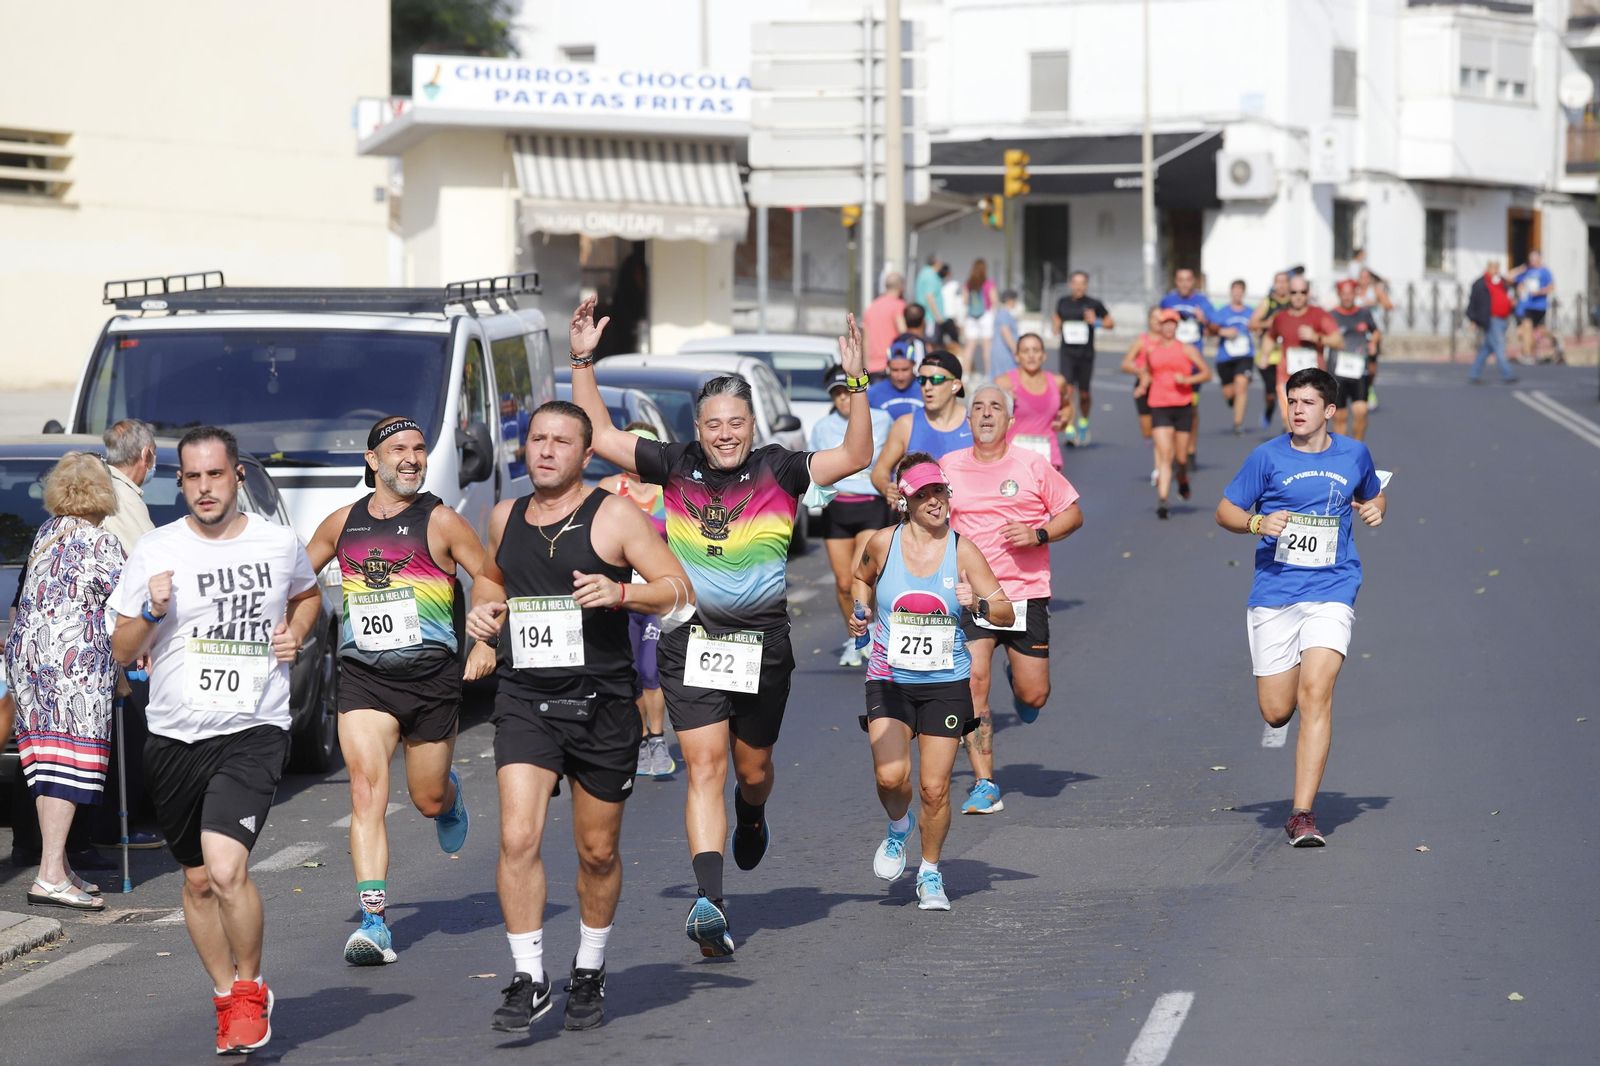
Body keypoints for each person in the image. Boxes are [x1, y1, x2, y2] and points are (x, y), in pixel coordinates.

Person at [568, 299, 874, 959]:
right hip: (691, 644)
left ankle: (755, 810)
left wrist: (856, 381)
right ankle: (711, 901)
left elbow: (855, 453)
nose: (725, 433)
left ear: (751, 424)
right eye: (714, 424)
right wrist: (582, 360)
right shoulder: (674, 465)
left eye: (736, 422)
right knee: (702, 766)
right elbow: (596, 434)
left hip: (763, 647)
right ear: (698, 427)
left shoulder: (779, 469)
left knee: (750, 768)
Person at [467, 401, 692, 1033]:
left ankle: (588, 969)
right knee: (517, 837)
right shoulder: (505, 515)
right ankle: (529, 976)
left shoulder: (614, 514)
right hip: (524, 699)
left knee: (596, 851)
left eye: (561, 442)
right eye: (537, 438)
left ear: (584, 455)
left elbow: (678, 589)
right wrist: (483, 617)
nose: (545, 450)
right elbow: (492, 580)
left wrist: (621, 592)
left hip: (602, 704)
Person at [110, 426, 321, 1056]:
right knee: (197, 880)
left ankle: (251, 989)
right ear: (180, 482)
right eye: (192, 478)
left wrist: (297, 634)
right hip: (175, 734)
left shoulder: (278, 543)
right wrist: (150, 613)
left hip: (253, 727)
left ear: (237, 477)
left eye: (215, 475)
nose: (204, 488)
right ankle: (226, 995)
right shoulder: (154, 549)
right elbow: (120, 652)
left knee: (228, 870)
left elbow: (306, 597)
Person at [304, 415, 485, 967]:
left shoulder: (443, 521)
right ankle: (375, 922)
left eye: (420, 448)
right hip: (365, 678)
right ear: (372, 460)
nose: (412, 457)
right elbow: (292, 576)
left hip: (431, 680)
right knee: (365, 790)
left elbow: (493, 576)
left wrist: (485, 639)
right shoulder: (342, 524)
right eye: (398, 448)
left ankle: (448, 797)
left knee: (426, 798)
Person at [1215, 368, 1386, 848]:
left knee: (1317, 691)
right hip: (1274, 595)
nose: (1296, 410)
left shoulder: (1355, 453)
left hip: (1333, 588)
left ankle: (1302, 814)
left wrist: (1377, 509)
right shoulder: (1265, 457)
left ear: (1329, 410)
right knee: (1275, 711)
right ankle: (1284, 713)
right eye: (1292, 401)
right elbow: (1225, 510)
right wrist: (1255, 524)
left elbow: (1373, 495)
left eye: (1307, 403)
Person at [848, 454, 1013, 910]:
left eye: (939, 490)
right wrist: (860, 613)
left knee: (935, 789)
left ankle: (930, 873)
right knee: (890, 776)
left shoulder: (964, 550)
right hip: (889, 677)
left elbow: (1005, 612)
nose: (935, 501)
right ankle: (899, 827)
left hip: (945, 682)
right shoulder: (882, 543)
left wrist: (975, 603)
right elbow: (859, 579)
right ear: (905, 501)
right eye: (923, 494)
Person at [942, 386, 1084, 815]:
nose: (986, 414)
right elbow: (927, 518)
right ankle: (985, 782)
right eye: (978, 408)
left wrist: (1037, 534)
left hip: (1025, 594)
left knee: (1035, 694)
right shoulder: (948, 467)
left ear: (1010, 421)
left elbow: (1072, 513)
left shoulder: (1032, 465)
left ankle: (1020, 689)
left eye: (995, 408)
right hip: (973, 596)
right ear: (967, 421)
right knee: (973, 684)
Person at [6, 453, 125, 913]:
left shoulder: (46, 532)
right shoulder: (102, 543)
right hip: (70, 667)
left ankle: (55, 867)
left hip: (29, 660)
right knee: (70, 762)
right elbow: (127, 602)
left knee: (47, 760)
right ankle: (51, 874)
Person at [97, 418, 163, 852]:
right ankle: (118, 824)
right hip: (120, 633)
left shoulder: (108, 489)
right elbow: (151, 568)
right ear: (147, 456)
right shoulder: (124, 497)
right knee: (128, 734)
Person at [598, 423, 677, 779]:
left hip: (656, 598)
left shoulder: (672, 491)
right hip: (618, 597)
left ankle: (657, 740)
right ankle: (640, 739)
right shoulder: (607, 491)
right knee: (627, 672)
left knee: (650, 669)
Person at [811, 368, 894, 667]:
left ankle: (868, 631)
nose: (844, 399)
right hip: (837, 508)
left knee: (861, 574)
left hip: (871, 505)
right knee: (844, 582)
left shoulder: (882, 419)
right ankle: (854, 637)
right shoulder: (822, 426)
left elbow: (891, 457)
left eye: (848, 392)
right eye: (837, 394)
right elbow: (815, 465)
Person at [1125, 310, 1212, 518]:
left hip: (1182, 405)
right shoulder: (1151, 350)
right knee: (1166, 455)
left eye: (1173, 323)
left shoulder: (1187, 349)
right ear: (1160, 326)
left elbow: (1206, 373)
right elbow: (1147, 372)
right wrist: (1142, 387)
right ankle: (1163, 500)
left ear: (1177, 326)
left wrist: (1188, 381)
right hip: (1159, 405)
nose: (1169, 327)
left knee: (1181, 458)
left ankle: (1182, 478)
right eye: (1165, 323)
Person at [873, 350, 973, 507]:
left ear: (955, 385)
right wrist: (887, 488)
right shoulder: (906, 424)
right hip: (919, 525)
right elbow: (879, 471)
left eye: (936, 380)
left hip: (965, 521)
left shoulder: (974, 424)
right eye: (922, 379)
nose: (927, 387)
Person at [1264, 278, 1342, 419]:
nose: (1298, 296)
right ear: (1288, 293)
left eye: (1302, 292)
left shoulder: (1319, 314)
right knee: (1290, 421)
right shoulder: (1281, 318)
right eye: (1294, 292)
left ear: (1308, 293)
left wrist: (1317, 338)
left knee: (1312, 423)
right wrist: (1265, 355)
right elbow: (1270, 337)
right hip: (1287, 377)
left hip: (1314, 379)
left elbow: (1339, 341)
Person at [1052, 270, 1114, 447]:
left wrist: (1098, 322)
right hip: (1067, 353)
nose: (1078, 287)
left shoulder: (1094, 304)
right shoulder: (1063, 301)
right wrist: (1056, 324)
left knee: (1084, 394)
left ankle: (1084, 423)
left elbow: (1111, 323)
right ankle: (1070, 429)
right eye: (1075, 283)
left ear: (1086, 286)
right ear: (1070, 285)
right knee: (1069, 391)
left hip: (1085, 354)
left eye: (1082, 283)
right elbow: (1057, 315)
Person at [1159, 268, 1215, 462]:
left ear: (1194, 282)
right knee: (1169, 409)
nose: (1184, 283)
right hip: (1169, 363)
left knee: (1191, 408)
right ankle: (1174, 451)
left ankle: (1189, 448)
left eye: (1188, 280)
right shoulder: (1167, 301)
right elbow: (1157, 325)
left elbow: (1215, 327)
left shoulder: (1202, 302)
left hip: (1191, 366)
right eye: (1180, 279)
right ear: (1175, 280)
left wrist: (1204, 321)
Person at [996, 333, 1069, 470]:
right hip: (1012, 462)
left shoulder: (1058, 382)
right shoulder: (1003, 383)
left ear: (1043, 355)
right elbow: (988, 421)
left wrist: (1064, 421)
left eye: (1036, 350)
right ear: (1017, 356)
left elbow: (1066, 406)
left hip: (1049, 460)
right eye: (1025, 351)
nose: (1031, 355)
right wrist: (1003, 403)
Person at [1328, 281, 1380, 442]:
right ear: (1339, 295)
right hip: (1337, 372)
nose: (1347, 297)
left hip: (1359, 370)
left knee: (1361, 411)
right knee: (1340, 416)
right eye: (1344, 293)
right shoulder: (1331, 316)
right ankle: (1342, 454)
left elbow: (1375, 331)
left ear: (1355, 294)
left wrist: (1373, 343)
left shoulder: (1364, 313)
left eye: (1350, 293)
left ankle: (1357, 449)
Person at [1123, 308, 1164, 486]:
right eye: (1154, 318)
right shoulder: (1142, 341)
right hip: (1143, 389)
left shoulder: (1169, 342)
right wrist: (1140, 371)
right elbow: (1125, 364)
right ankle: (1163, 453)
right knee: (1149, 432)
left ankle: (1160, 468)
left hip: (1163, 390)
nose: (1158, 322)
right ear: (1149, 321)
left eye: (1161, 318)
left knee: (1160, 430)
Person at [1250, 272, 1294, 430]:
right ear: (1274, 284)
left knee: (1290, 392)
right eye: (1278, 282)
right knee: (1271, 394)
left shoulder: (1295, 302)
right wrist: (1267, 323)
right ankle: (1269, 409)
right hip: (1269, 356)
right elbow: (1252, 324)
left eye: (1285, 282)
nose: (1282, 285)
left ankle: (1287, 423)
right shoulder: (1267, 302)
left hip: (1290, 357)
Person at [1213, 280, 1256, 436]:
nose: (1237, 294)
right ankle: (1234, 402)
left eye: (1240, 291)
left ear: (1244, 293)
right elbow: (1210, 330)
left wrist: (1256, 329)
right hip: (1225, 356)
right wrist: (1224, 332)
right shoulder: (1222, 311)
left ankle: (1238, 423)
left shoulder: (1251, 312)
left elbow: (1258, 326)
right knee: (1229, 393)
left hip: (1245, 354)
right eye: (1235, 290)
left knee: (1242, 385)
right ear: (1231, 292)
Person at [1466, 260, 1517, 385]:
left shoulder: (1501, 282)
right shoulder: (1480, 283)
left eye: (1497, 268)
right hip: (1491, 319)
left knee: (1486, 348)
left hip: (1503, 319)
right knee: (1499, 346)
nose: (1496, 270)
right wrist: (1473, 319)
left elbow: (1507, 294)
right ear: (1488, 268)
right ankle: (1507, 373)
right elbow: (1473, 302)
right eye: (1493, 267)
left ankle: (1474, 373)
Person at [1510, 250, 1562, 364]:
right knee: (1525, 330)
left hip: (1539, 306)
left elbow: (1551, 286)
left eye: (1534, 258)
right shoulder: (1527, 270)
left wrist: (1540, 292)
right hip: (1527, 306)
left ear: (1539, 259)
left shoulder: (1545, 271)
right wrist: (1519, 270)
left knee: (1539, 331)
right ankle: (1527, 355)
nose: (1532, 261)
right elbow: (1509, 277)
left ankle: (1553, 338)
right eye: (1530, 259)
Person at [1352, 268, 1394, 409]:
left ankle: (1369, 388)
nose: (1363, 280)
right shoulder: (1354, 292)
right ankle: (1358, 392)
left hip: (1373, 333)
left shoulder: (1375, 291)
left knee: (1371, 367)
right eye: (1361, 277)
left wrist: (1375, 303)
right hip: (1357, 334)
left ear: (1370, 279)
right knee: (1356, 363)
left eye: (1366, 277)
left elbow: (1389, 305)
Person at [867, 327, 926, 421]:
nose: (900, 376)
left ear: (914, 365)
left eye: (905, 370)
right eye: (895, 370)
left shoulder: (926, 390)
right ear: (888, 366)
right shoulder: (872, 393)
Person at [862, 272, 909, 376]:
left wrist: (866, 367)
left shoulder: (872, 307)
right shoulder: (899, 305)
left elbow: (866, 340)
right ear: (901, 287)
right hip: (893, 366)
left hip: (873, 367)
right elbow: (904, 334)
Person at [960, 259, 997, 374]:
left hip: (971, 316)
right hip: (986, 315)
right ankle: (988, 373)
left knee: (969, 348)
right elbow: (994, 301)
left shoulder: (968, 283)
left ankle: (965, 374)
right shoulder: (989, 283)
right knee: (987, 348)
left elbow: (965, 301)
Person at [914, 255, 947, 344]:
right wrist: (938, 316)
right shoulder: (930, 276)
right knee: (931, 344)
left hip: (926, 316)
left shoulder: (924, 272)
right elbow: (930, 297)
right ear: (937, 263)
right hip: (930, 318)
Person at [990, 289, 1022, 378]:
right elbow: (1006, 333)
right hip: (1005, 352)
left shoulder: (1002, 312)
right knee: (1006, 379)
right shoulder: (1004, 313)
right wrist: (1015, 350)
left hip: (1004, 351)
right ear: (1009, 300)